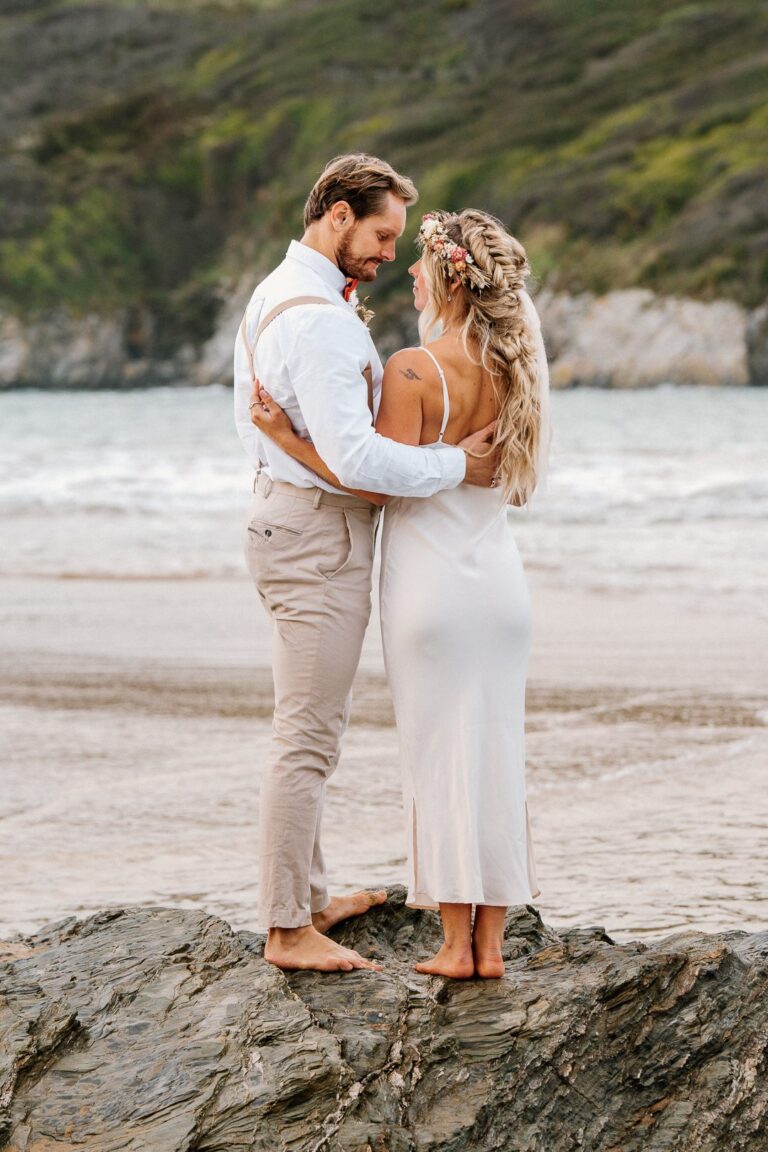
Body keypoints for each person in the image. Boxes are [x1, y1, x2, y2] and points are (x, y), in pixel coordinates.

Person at [250, 207, 549, 979]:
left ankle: (453, 945)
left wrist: (285, 440)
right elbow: (514, 488)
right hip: (501, 588)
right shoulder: (517, 369)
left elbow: (375, 485)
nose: (406, 272)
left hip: (432, 588)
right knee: (495, 752)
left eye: (417, 261)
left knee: (440, 753)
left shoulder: (418, 369)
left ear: (448, 276)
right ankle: (491, 946)